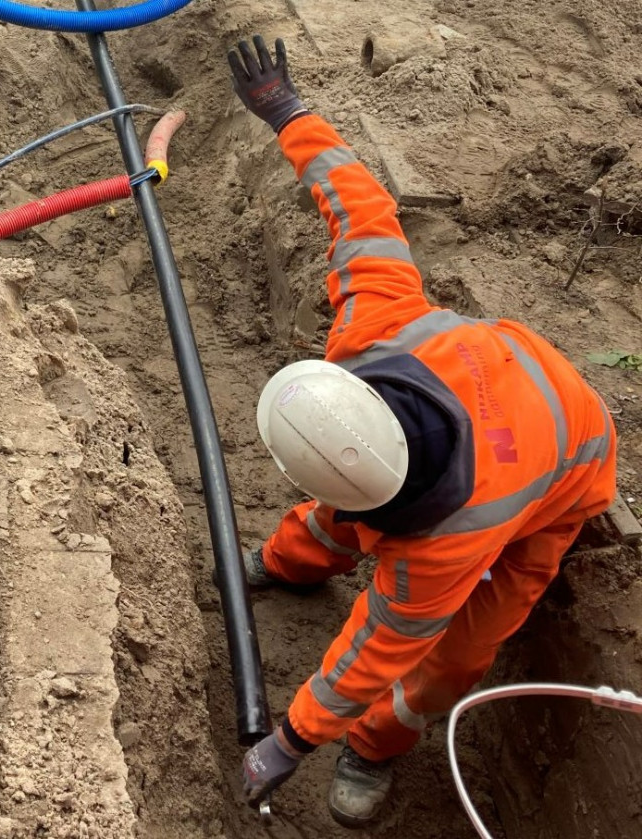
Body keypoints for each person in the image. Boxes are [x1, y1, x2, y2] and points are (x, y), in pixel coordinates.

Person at [227, 35, 618, 827]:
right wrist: (288, 113)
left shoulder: (449, 540)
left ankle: (374, 746)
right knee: (339, 513)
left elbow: (376, 650)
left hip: (565, 469)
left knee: (457, 654)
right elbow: (361, 207)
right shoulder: (377, 327)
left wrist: (292, 740)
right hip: (514, 383)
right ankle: (291, 563)